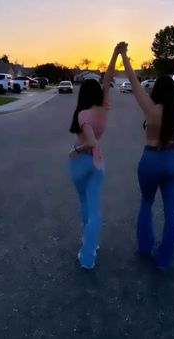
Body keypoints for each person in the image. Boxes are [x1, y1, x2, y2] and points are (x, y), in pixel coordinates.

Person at [118, 42, 174, 270]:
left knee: (146, 203)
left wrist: (123, 55)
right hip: (172, 161)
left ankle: (144, 246)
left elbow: (133, 81)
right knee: (172, 212)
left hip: (150, 161)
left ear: (156, 90)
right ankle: (164, 259)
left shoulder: (149, 108)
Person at [68, 46, 119, 269]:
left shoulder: (83, 114)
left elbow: (90, 142)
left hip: (81, 160)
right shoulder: (103, 108)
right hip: (97, 163)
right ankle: (91, 245)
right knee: (93, 207)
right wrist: (116, 54)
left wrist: (76, 151)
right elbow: (107, 80)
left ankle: (87, 256)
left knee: (84, 204)